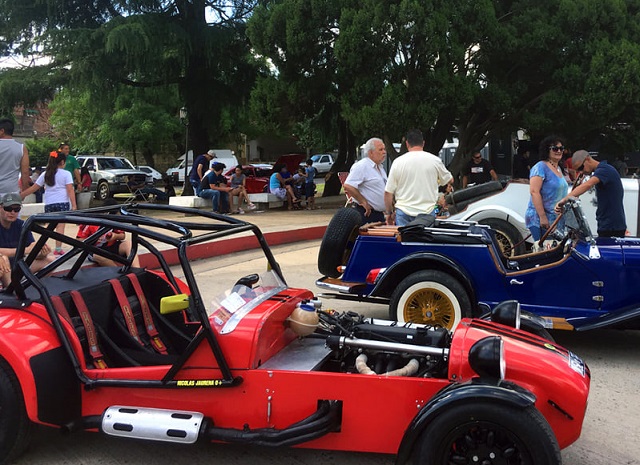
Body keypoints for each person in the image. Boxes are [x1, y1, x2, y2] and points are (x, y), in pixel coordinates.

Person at [384, 129, 453, 226]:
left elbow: (388, 192)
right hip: (427, 211)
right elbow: (450, 179)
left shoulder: (398, 162)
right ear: (423, 143)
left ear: (407, 144)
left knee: (404, 236)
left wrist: (388, 213)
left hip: (403, 211)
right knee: (425, 236)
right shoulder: (435, 161)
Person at [556, 150, 626, 238]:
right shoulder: (603, 170)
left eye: (581, 168)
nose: (581, 172)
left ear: (588, 159)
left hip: (612, 226)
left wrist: (564, 200)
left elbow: (587, 185)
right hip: (607, 223)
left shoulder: (604, 170)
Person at [21, 151, 77, 255]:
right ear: (62, 162)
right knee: (60, 226)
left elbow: (34, 187)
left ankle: (42, 246)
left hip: (49, 203)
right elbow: (70, 190)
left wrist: (22, 195)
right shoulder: (66, 174)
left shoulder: (45, 174)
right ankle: (58, 249)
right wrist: (74, 205)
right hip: (62, 203)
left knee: (49, 228)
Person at [0, 193, 53, 287]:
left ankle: (39, 289)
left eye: (16, 209)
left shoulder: (22, 225)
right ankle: (11, 290)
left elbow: (32, 248)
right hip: (4, 266)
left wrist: (41, 253)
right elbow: (27, 250)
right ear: (0, 208)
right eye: (8, 209)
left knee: (50, 260)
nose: (12, 212)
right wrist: (26, 250)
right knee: (3, 259)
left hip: (17, 267)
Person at [524, 136, 569, 242]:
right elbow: (534, 192)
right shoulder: (540, 167)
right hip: (540, 219)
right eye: (555, 149)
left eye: (561, 148)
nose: (559, 151)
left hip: (557, 219)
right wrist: (543, 217)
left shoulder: (559, 168)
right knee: (545, 249)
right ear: (547, 150)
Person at [76, 199, 140, 267]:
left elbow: (122, 236)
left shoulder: (115, 220)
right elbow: (78, 239)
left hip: (111, 246)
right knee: (100, 256)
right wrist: (93, 239)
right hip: (95, 249)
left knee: (129, 244)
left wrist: (114, 236)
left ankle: (137, 270)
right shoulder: (90, 222)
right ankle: (117, 272)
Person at [343, 138, 387, 224]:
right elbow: (348, 185)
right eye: (380, 150)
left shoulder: (380, 167)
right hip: (366, 214)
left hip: (379, 214)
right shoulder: (362, 166)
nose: (384, 152)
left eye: (384, 149)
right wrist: (363, 201)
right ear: (371, 153)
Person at [0, 118, 31, 197]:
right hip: (12, 192)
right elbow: (25, 172)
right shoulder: (21, 148)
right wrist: (24, 191)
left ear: (2, 131)